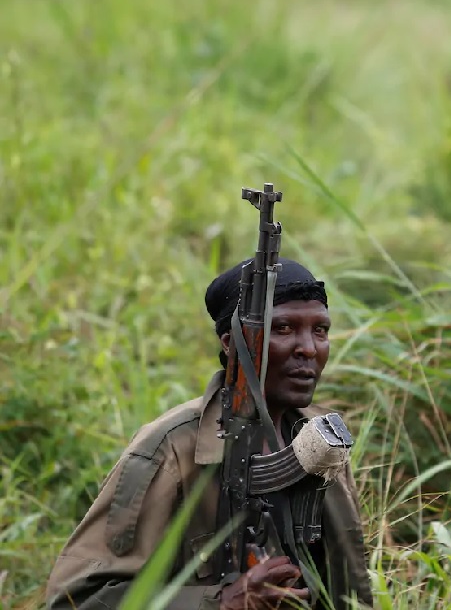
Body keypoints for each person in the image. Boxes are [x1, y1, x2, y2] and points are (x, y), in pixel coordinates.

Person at [45, 258, 374, 610]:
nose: (308, 348)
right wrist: (219, 603)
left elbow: (347, 583)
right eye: (283, 328)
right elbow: (76, 600)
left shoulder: (321, 436)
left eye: (320, 330)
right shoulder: (169, 450)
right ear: (232, 344)